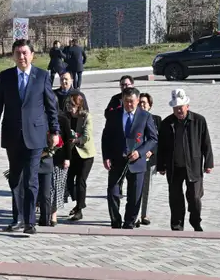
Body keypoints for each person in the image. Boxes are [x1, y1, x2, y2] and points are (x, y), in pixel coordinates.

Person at [0, 39, 60, 235]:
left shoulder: (42, 76)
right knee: (15, 179)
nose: (22, 57)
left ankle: (30, 221)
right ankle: (17, 218)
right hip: (12, 135)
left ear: (32, 55)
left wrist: (55, 131)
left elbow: (51, 106)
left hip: (35, 135)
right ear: (13, 56)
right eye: (18, 53)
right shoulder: (6, 76)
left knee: (30, 180)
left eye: (25, 53)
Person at [156, 88, 213, 232]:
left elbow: (206, 142)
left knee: (194, 197)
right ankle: (177, 225)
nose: (178, 111)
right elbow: (161, 146)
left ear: (187, 106)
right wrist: (160, 165)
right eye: (175, 108)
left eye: (180, 108)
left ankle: (196, 222)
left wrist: (208, 163)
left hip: (193, 165)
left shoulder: (199, 120)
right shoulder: (167, 123)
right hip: (174, 166)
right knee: (175, 198)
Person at [102, 87, 158, 229]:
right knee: (113, 192)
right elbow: (106, 137)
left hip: (136, 161)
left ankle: (129, 222)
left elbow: (152, 139)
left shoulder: (145, 116)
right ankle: (115, 220)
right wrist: (106, 156)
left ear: (138, 101)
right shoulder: (114, 115)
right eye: (126, 101)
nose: (129, 105)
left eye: (132, 102)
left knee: (134, 196)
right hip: (117, 160)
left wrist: (140, 152)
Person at [65, 93, 96, 222]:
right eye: (68, 104)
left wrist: (76, 140)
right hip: (72, 154)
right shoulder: (66, 117)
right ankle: (78, 203)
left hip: (85, 154)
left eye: (72, 105)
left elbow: (86, 136)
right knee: (69, 181)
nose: (69, 107)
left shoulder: (86, 117)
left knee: (80, 181)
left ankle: (79, 210)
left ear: (79, 106)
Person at [38, 110, 71, 226]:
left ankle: (53, 215)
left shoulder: (62, 119)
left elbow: (68, 140)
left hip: (59, 159)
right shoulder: (40, 117)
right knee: (46, 189)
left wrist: (67, 158)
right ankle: (43, 213)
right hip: (43, 158)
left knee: (56, 188)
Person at [138, 92, 161, 227]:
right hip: (135, 158)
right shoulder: (134, 118)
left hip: (150, 160)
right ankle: (134, 214)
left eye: (144, 103)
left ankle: (144, 214)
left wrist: (151, 151)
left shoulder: (157, 120)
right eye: (140, 103)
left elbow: (159, 140)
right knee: (135, 187)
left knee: (147, 187)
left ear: (150, 106)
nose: (142, 105)